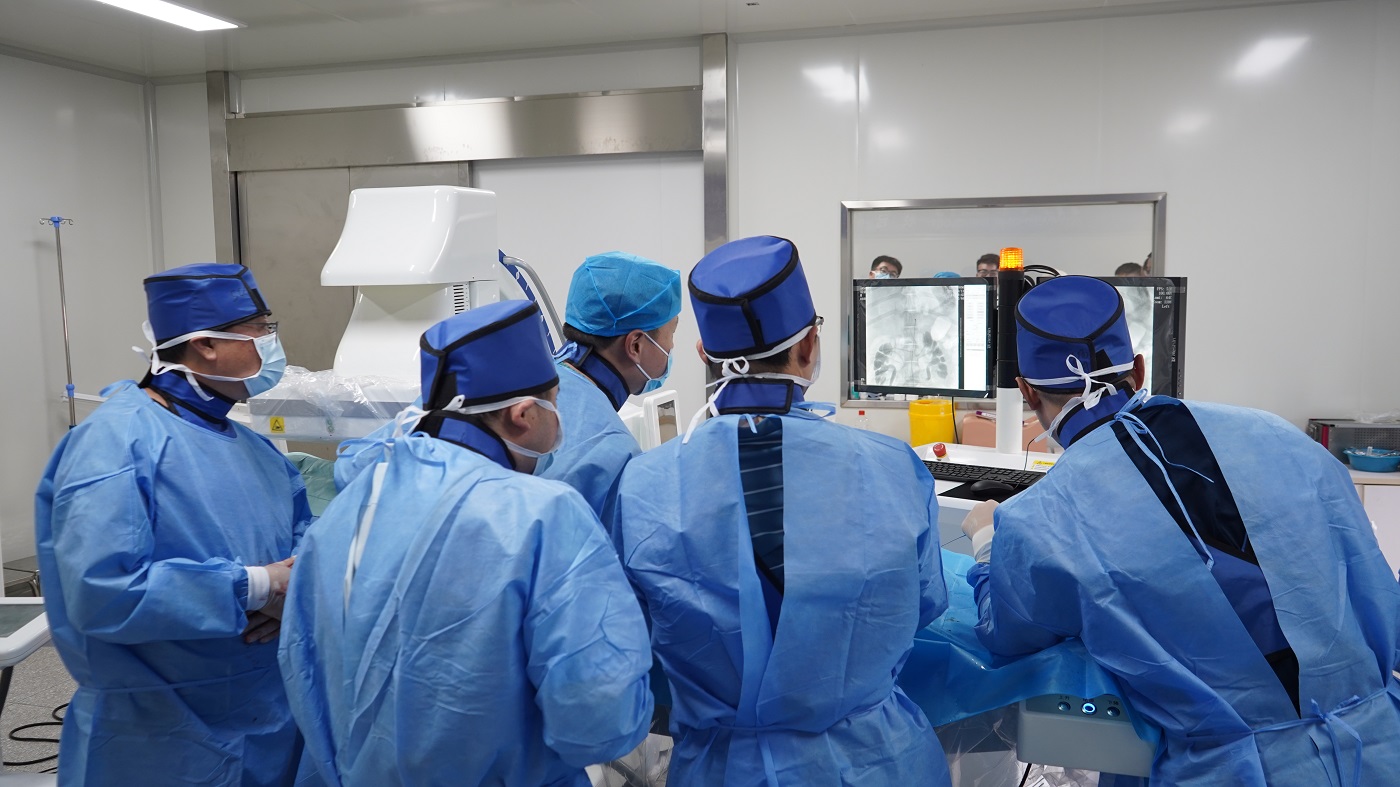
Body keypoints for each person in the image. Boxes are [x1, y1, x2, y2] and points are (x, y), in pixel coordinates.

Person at [961, 276, 1400, 786]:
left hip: (1223, 771)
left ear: (1026, 391)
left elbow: (1010, 633)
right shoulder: (1278, 436)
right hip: (1377, 749)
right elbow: (1373, 584)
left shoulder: (1042, 517)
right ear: (1139, 368)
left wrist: (988, 542)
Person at [616, 235, 949, 785]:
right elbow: (925, 603)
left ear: (703, 356)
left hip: (721, 769)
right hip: (872, 764)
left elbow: (638, 640)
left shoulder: (643, 484)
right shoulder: (892, 467)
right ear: (811, 345)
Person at [280, 300, 653, 786]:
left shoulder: (350, 507)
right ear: (523, 414)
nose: (562, 418)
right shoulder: (544, 516)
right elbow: (598, 719)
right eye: (556, 401)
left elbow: (301, 668)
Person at [35, 262, 311, 786]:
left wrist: (291, 594)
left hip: (265, 719)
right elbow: (102, 593)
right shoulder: (116, 443)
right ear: (206, 345)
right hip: (157, 737)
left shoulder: (258, 452)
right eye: (260, 330)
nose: (271, 344)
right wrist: (258, 586)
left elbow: (303, 543)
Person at [550, 250, 682, 523]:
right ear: (636, 345)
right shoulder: (613, 454)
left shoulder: (538, 383)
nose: (671, 347)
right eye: (671, 334)